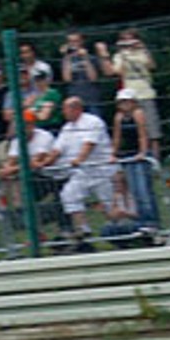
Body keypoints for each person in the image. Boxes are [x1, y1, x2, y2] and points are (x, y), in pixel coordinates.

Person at [53, 96, 116, 251]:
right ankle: (83, 230)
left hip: (102, 169)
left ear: (76, 109)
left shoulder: (92, 122)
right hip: (82, 172)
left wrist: (78, 159)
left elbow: (89, 145)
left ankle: (118, 233)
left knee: (109, 203)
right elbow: (57, 150)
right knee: (69, 194)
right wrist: (43, 163)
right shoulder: (67, 128)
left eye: (66, 108)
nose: (63, 112)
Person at [96, 29, 160, 141]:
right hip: (129, 96)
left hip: (146, 93)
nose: (128, 42)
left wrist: (142, 48)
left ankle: (155, 156)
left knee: (153, 132)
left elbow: (152, 66)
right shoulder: (119, 56)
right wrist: (106, 54)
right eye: (125, 40)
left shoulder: (142, 53)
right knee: (136, 131)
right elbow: (113, 72)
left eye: (131, 39)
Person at [109, 87, 157, 229]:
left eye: (127, 101)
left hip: (139, 154)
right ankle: (141, 222)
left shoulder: (138, 114)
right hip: (128, 155)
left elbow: (143, 134)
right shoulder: (119, 117)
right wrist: (113, 153)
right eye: (122, 102)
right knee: (135, 191)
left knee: (143, 190)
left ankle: (151, 221)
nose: (124, 105)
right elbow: (117, 137)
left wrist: (142, 152)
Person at [57, 31, 101, 117]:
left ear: (81, 42)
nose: (73, 44)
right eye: (70, 41)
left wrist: (85, 58)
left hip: (91, 99)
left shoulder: (91, 58)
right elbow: (67, 79)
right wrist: (67, 56)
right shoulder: (66, 60)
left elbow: (93, 78)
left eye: (76, 41)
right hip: (74, 98)